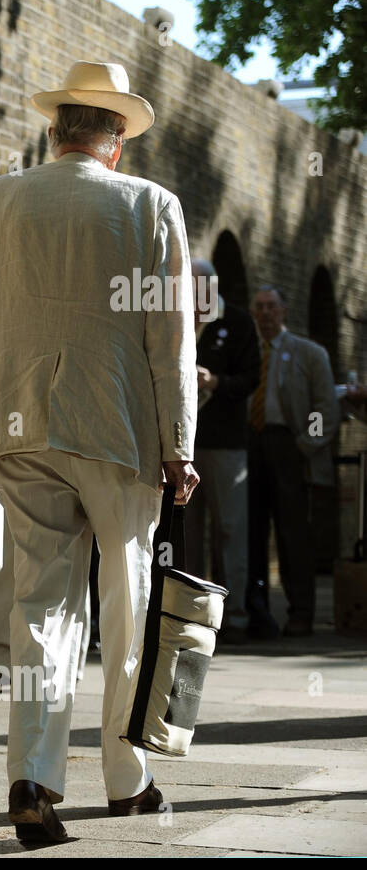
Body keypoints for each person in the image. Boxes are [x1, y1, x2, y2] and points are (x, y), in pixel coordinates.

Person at [0, 61, 198, 844]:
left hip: (14, 427)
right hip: (117, 428)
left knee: (38, 610)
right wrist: (179, 443)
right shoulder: (151, 205)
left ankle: (34, 776)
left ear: (55, 131)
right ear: (115, 140)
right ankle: (126, 779)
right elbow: (170, 339)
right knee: (128, 609)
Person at [246, 286, 339, 639]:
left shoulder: (309, 353)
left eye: (271, 306)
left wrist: (305, 444)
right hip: (252, 444)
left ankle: (301, 612)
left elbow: (323, 408)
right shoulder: (249, 353)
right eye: (259, 308)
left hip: (290, 447)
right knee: (252, 530)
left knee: (293, 534)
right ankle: (257, 612)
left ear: (284, 310)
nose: (266, 313)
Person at [185, 259, 261, 637]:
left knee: (230, 527)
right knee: (188, 530)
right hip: (183, 442)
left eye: (196, 285)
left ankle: (235, 615)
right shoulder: (175, 317)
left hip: (226, 444)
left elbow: (251, 379)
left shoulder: (239, 322)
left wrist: (214, 381)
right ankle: (195, 613)